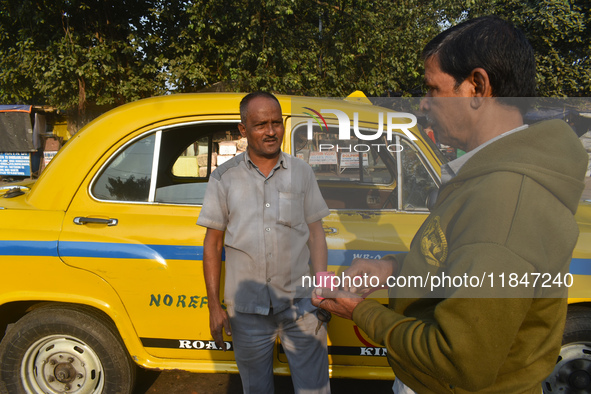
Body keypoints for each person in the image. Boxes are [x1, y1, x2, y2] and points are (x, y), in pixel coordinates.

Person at [312, 15, 587, 394]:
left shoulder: (503, 202)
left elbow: (458, 360)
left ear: (477, 87)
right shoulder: (486, 176)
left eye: (433, 89)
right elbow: (457, 265)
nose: (423, 105)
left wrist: (359, 311)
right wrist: (393, 268)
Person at [197, 91, 331, 394]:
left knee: (315, 389)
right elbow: (213, 244)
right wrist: (214, 306)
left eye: (275, 123)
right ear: (243, 129)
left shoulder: (302, 173)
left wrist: (321, 286)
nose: (270, 132)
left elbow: (316, 232)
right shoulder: (224, 178)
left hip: (301, 305)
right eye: (260, 125)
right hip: (247, 311)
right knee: (256, 388)